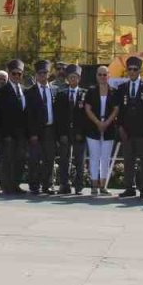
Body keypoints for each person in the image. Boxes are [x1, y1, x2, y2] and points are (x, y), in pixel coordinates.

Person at [116, 56, 143, 198]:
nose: (132, 72)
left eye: (135, 69)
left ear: (140, 70)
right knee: (128, 160)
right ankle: (129, 187)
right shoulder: (122, 88)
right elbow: (119, 110)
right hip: (127, 131)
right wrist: (120, 127)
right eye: (130, 69)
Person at [83, 66, 120, 195]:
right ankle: (93, 186)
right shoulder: (91, 91)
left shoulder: (114, 91)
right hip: (93, 127)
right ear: (96, 76)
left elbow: (116, 109)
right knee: (94, 157)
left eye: (105, 75)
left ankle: (103, 186)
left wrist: (106, 123)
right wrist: (98, 123)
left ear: (109, 76)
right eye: (100, 75)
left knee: (105, 158)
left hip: (109, 128)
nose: (102, 77)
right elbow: (87, 109)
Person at [0, 60, 29, 194]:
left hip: (21, 133)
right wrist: (4, 134)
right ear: (9, 74)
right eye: (14, 74)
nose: (16, 76)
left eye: (19, 74)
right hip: (8, 133)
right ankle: (6, 185)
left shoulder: (25, 91)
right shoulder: (2, 91)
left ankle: (15, 184)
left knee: (19, 160)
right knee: (7, 160)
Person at [25, 60, 57, 195]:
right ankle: (34, 185)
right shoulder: (30, 92)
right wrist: (32, 133)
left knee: (49, 159)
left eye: (45, 73)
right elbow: (28, 115)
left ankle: (47, 185)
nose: (43, 75)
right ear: (36, 75)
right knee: (35, 159)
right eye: (40, 73)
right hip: (36, 131)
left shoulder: (54, 90)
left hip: (50, 129)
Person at [54, 65, 87, 195]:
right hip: (65, 133)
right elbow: (58, 116)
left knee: (80, 160)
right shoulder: (61, 94)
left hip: (79, 133)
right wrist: (61, 133)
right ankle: (64, 184)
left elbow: (86, 116)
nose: (73, 79)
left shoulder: (85, 93)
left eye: (75, 77)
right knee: (64, 160)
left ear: (79, 78)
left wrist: (82, 132)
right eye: (70, 77)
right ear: (67, 79)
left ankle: (78, 185)